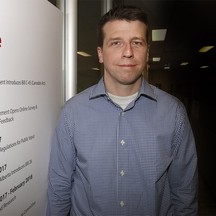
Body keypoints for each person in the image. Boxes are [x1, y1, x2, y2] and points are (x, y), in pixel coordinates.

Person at [46, 5, 198, 216]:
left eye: (137, 42)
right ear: (100, 54)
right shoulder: (72, 113)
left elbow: (184, 193)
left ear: (147, 52)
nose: (128, 52)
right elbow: (59, 190)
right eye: (116, 43)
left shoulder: (173, 113)